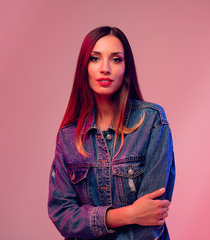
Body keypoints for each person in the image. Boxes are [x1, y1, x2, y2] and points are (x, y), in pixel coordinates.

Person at [48, 26, 175, 240]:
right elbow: (62, 214)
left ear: (127, 68)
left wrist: (107, 220)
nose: (105, 68)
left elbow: (152, 218)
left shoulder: (152, 121)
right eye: (95, 59)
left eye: (116, 59)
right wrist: (127, 214)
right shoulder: (68, 136)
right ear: (84, 67)